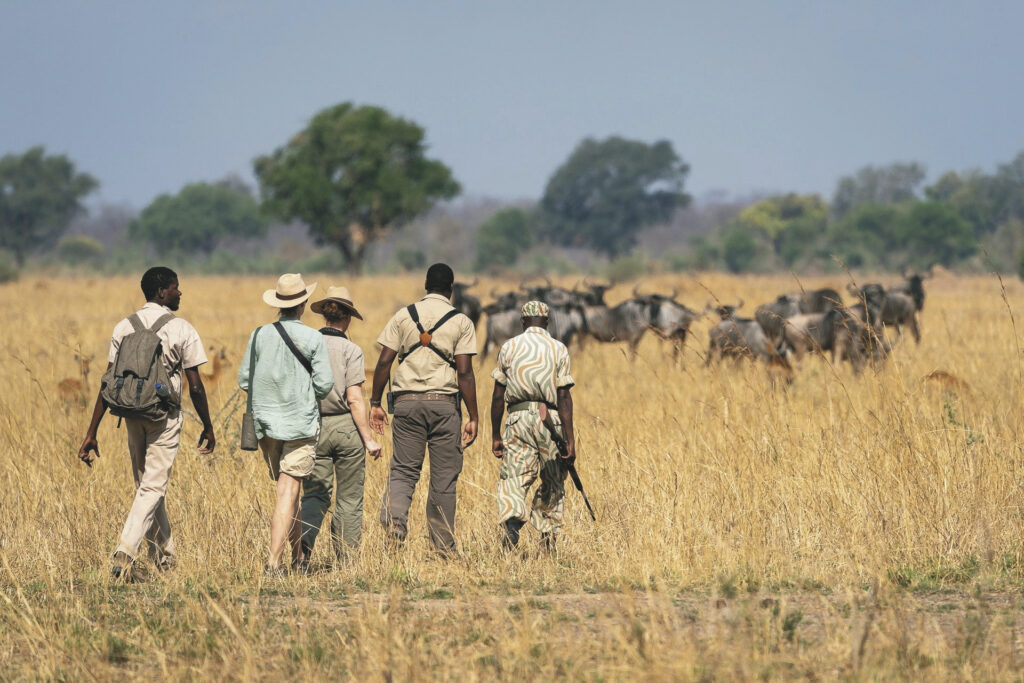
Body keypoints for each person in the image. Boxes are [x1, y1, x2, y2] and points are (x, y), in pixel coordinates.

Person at [77, 266, 216, 582]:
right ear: (162, 292)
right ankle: (125, 553)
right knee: (152, 486)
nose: (180, 292)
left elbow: (108, 381)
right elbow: (195, 385)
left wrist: (91, 431)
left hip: (131, 414)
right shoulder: (181, 328)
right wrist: (208, 426)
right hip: (164, 417)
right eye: (176, 287)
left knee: (147, 487)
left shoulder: (124, 326)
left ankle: (165, 559)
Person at [369, 263, 479, 556]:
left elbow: (383, 362)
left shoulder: (404, 315)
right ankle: (443, 546)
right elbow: (465, 373)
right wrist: (473, 416)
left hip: (405, 404)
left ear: (426, 286)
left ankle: (396, 524)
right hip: (444, 406)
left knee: (404, 470)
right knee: (444, 476)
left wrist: (376, 403)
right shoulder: (462, 322)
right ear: (451, 290)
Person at [238, 273, 334, 576]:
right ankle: (273, 564)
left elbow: (244, 380)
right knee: (287, 493)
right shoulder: (313, 338)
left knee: (286, 490)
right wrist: (302, 394)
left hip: (266, 426)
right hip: (300, 425)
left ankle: (298, 557)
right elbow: (325, 385)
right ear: (303, 303)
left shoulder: (258, 335)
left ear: (278, 304)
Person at [299, 286, 383, 568]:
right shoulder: (352, 350)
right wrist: (369, 439)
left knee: (314, 494)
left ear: (324, 316)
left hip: (313, 427)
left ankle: (303, 551)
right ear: (347, 318)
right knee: (349, 499)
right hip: (347, 428)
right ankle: (347, 562)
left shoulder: (307, 345)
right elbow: (355, 398)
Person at [489, 301, 577, 553]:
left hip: (517, 418)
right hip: (549, 419)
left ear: (523, 322)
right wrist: (569, 439)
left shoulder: (509, 347)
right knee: (553, 479)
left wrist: (496, 434)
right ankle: (548, 537)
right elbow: (564, 398)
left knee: (514, 477)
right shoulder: (559, 348)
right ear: (547, 322)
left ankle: (512, 528)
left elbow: (498, 395)